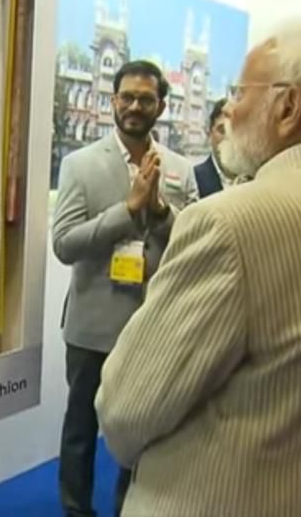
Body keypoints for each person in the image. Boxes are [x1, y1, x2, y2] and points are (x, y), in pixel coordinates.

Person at [95, 20, 301, 517]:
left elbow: (127, 408)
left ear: (288, 106)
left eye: (240, 92)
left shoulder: (230, 220)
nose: (229, 109)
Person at [52, 59, 199, 517]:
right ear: (113, 100)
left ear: (161, 106)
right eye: (127, 97)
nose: (135, 107)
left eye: (146, 99)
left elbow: (193, 240)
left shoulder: (180, 169)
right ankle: (76, 509)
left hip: (151, 325)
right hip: (92, 324)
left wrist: (158, 211)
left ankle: (126, 508)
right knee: (80, 430)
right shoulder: (80, 165)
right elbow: (64, 244)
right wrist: (126, 210)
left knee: (140, 431)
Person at [193, 97, 243, 197]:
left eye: (234, 131)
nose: (228, 138)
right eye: (222, 130)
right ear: (210, 133)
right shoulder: (194, 177)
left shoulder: (253, 178)